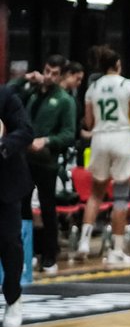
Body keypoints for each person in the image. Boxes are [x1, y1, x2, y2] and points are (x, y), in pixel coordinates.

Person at [74, 49, 130, 267]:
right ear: (118, 64)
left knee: (95, 193)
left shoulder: (93, 87)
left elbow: (89, 122)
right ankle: (117, 250)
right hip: (122, 137)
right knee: (121, 196)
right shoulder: (128, 85)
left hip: (100, 139)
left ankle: (84, 242)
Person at [9, 57, 78, 276]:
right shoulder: (32, 93)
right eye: (47, 71)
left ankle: (49, 255)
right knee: (22, 206)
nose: (49, 76)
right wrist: (24, 79)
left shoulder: (65, 100)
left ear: (61, 76)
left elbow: (68, 133)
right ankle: (25, 252)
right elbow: (8, 94)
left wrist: (47, 141)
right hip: (25, 159)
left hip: (47, 161)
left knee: (48, 208)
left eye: (54, 73)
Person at [0, 80, 32, 327]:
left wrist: (3, 144)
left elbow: (26, 131)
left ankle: (13, 298)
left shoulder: (6, 96)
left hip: (5, 183)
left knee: (9, 242)